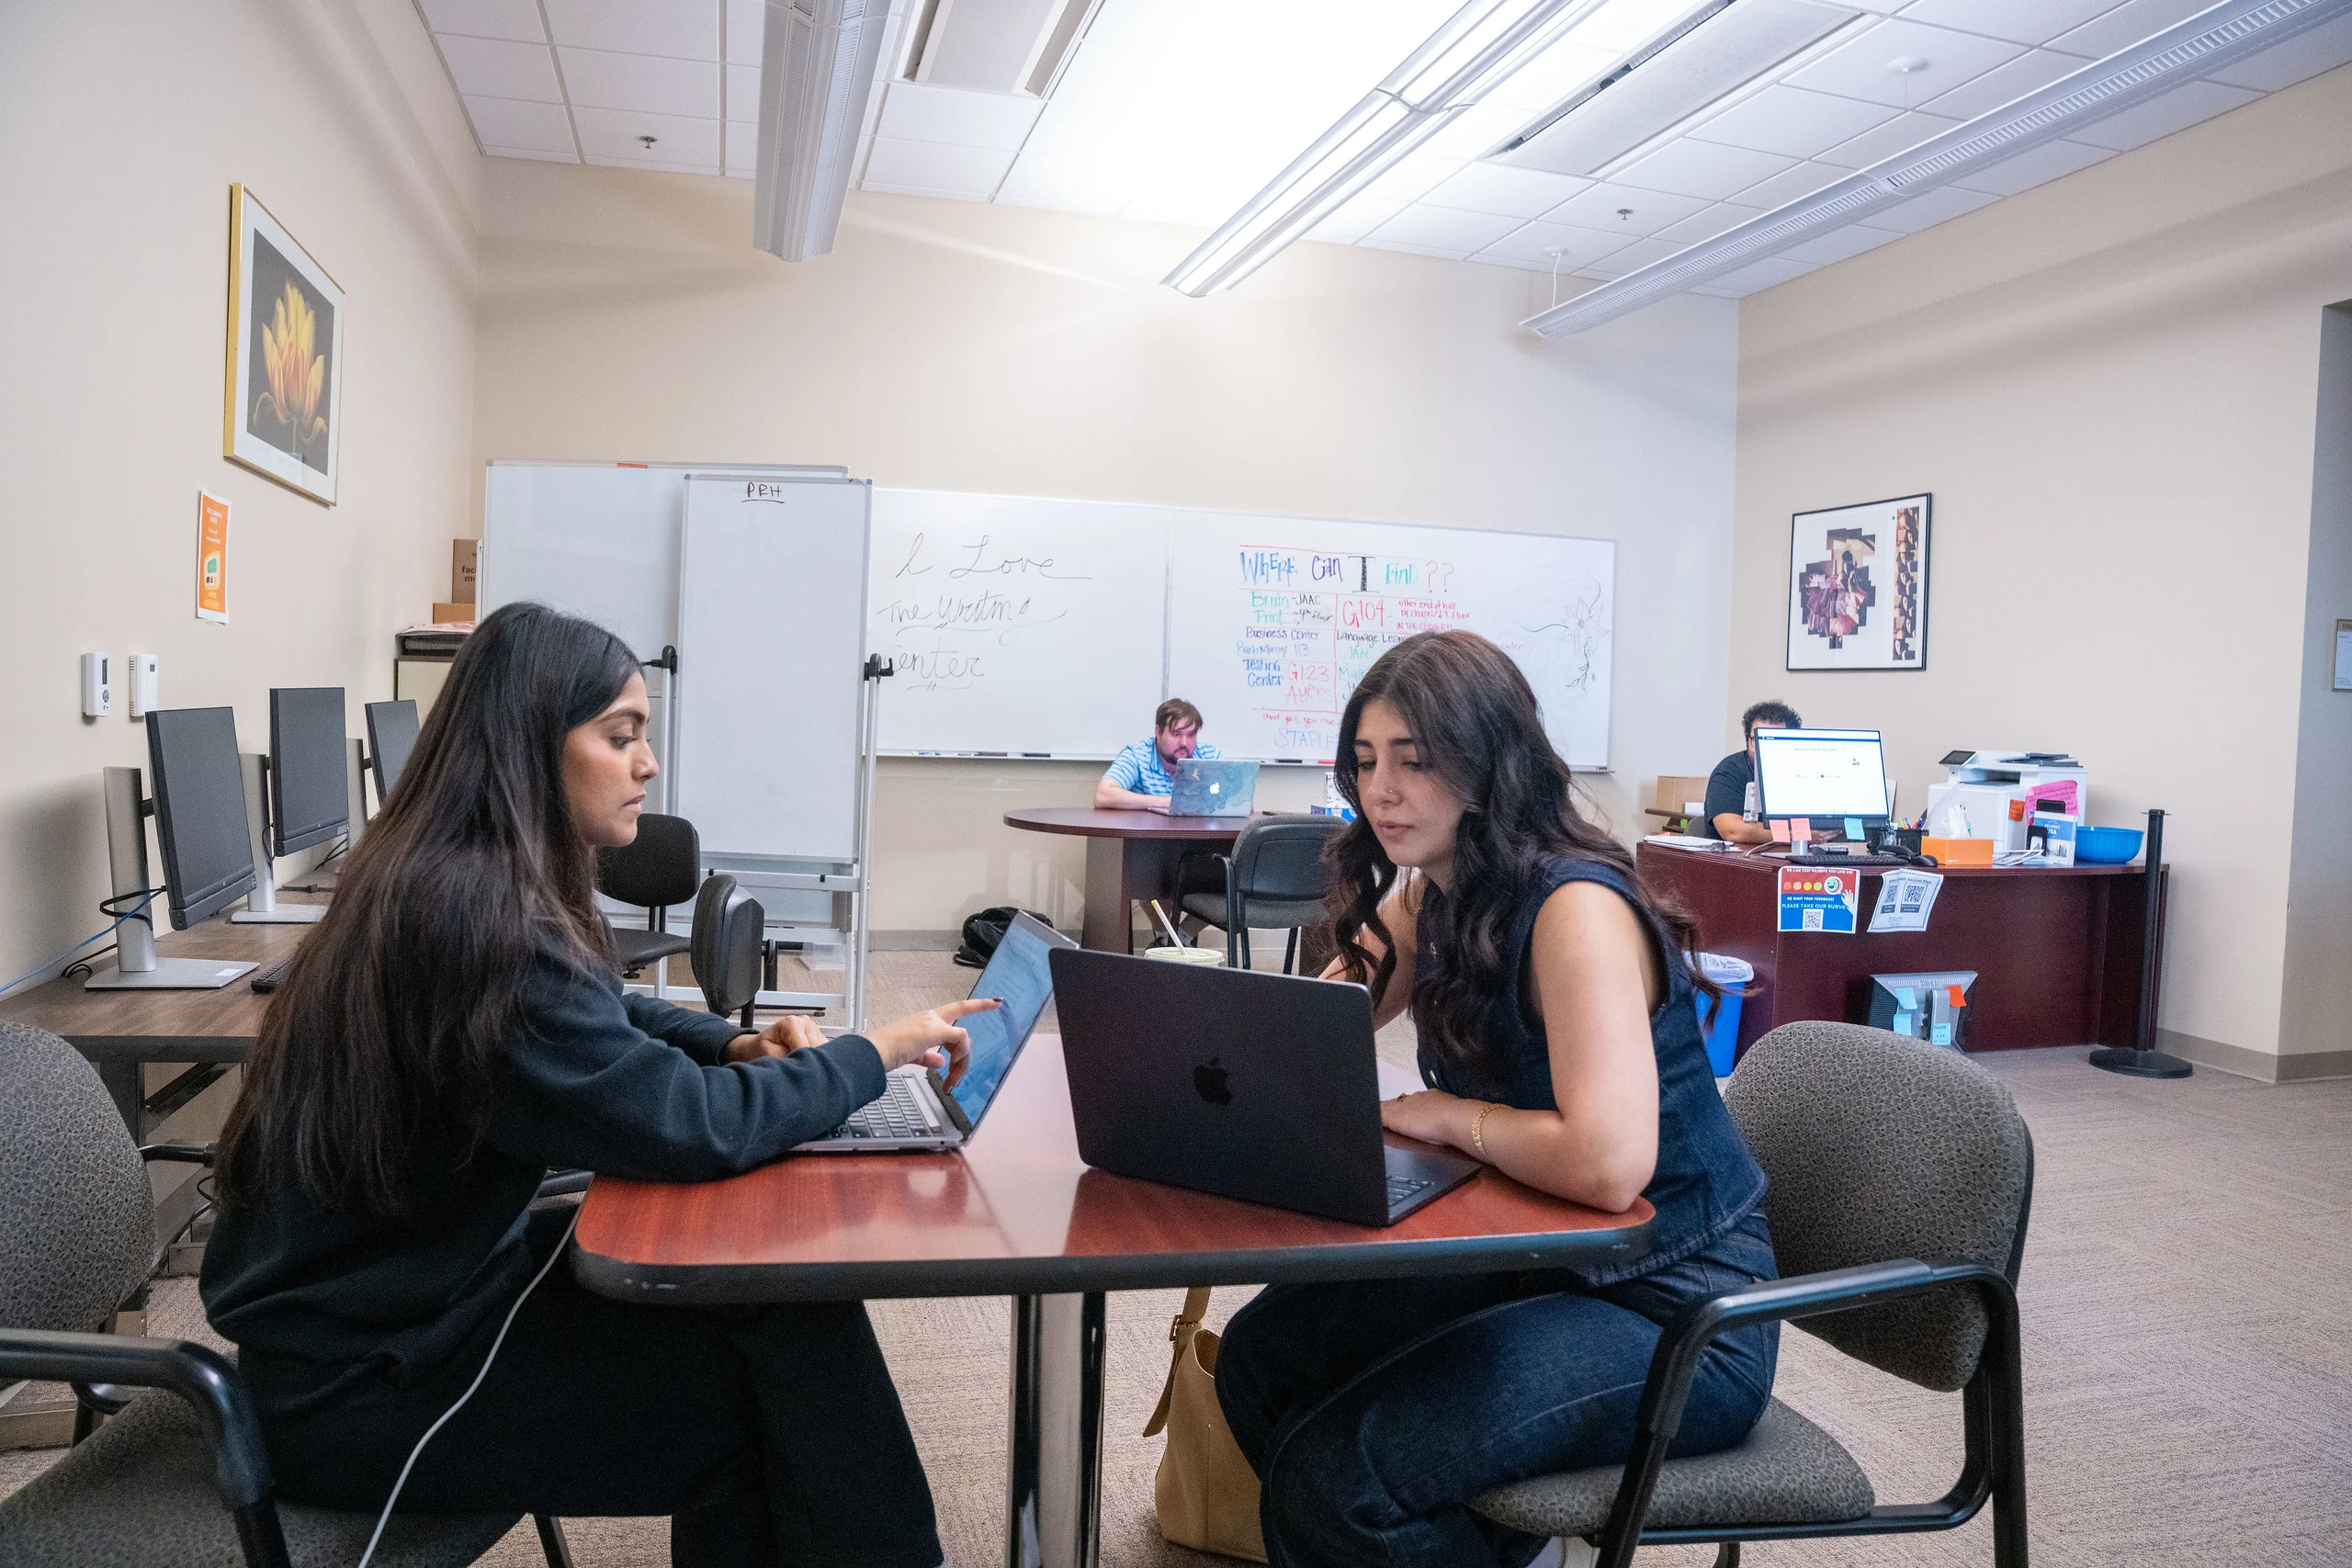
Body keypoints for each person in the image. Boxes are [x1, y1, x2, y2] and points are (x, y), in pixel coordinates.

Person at [202, 603, 990, 1568]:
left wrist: (729, 1046)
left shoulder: (453, 878)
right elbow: (691, 1130)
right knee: (767, 1413)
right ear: (532, 745)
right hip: (362, 1392)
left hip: (405, 1309)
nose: (648, 766)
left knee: (776, 1301)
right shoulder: (475, 929)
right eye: (621, 736)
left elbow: (605, 1008)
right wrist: (869, 1055)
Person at [1214, 630, 1778, 1568]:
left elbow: (1606, 1165)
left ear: (1487, 764)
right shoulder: (1432, 893)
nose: (1379, 791)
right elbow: (1315, 1033)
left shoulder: (1574, 908)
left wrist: (1451, 1118)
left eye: (1413, 762)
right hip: (1537, 1252)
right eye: (1363, 763)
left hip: (1674, 1311)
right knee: (1263, 1358)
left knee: (1337, 1479)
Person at [1094, 697, 1221, 813]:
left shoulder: (1209, 756)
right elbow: (1102, 796)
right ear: (1158, 732)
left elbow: (1232, 800)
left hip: (1200, 834)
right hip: (1148, 835)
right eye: (1176, 734)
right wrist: (1165, 802)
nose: (1184, 743)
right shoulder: (1138, 755)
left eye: (1191, 735)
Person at [1702, 699, 1802, 844]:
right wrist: (1796, 834)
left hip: (1797, 857)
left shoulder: (1802, 772)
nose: (1765, 749)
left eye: (1775, 741)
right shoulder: (1729, 771)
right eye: (1758, 740)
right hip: (1738, 861)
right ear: (1747, 740)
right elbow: (1732, 831)